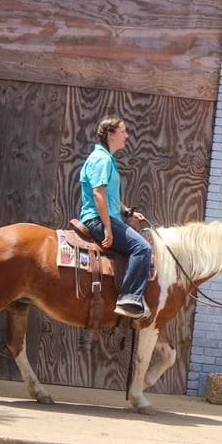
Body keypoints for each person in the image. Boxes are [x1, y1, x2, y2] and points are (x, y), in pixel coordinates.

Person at [80, 115, 152, 320]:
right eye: (123, 131)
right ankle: (129, 298)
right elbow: (98, 193)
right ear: (111, 134)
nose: (127, 136)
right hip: (98, 219)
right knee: (142, 248)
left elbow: (110, 196)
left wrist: (127, 211)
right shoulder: (102, 160)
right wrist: (108, 228)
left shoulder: (105, 159)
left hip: (107, 217)